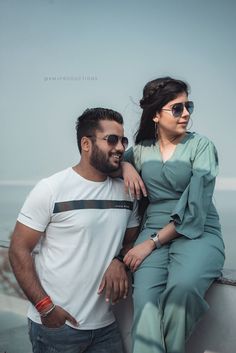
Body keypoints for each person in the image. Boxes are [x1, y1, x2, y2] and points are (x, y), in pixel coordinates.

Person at [9, 107, 140, 353]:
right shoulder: (51, 189)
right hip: (58, 326)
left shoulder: (127, 192)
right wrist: (46, 309)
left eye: (123, 140)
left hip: (106, 327)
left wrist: (119, 261)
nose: (121, 147)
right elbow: (18, 249)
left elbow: (131, 242)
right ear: (86, 143)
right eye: (111, 139)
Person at [121, 77, 225, 353]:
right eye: (177, 108)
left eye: (188, 106)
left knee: (183, 290)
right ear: (155, 114)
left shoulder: (202, 147)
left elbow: (195, 207)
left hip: (197, 231)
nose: (186, 113)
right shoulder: (142, 150)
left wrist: (150, 243)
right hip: (152, 229)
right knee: (145, 301)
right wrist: (125, 168)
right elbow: (115, 158)